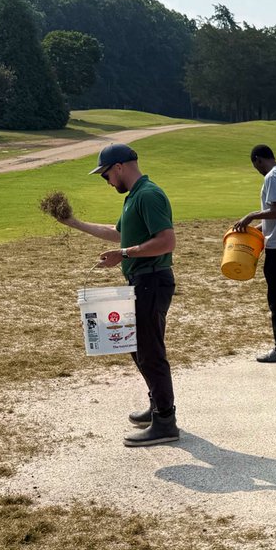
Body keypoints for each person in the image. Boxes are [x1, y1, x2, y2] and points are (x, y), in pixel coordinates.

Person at [58, 143, 179, 446]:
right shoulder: (134, 197)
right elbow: (119, 233)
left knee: (150, 351)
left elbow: (166, 241)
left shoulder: (148, 195)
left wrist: (123, 254)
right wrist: (74, 223)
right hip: (142, 281)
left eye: (106, 175)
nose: (107, 181)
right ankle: (157, 405)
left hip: (152, 280)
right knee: (137, 347)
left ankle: (165, 420)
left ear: (120, 167)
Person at [234, 144, 276, 362]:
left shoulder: (272, 177)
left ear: (258, 160)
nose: (258, 170)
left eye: (256, 166)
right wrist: (255, 231)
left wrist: (251, 216)